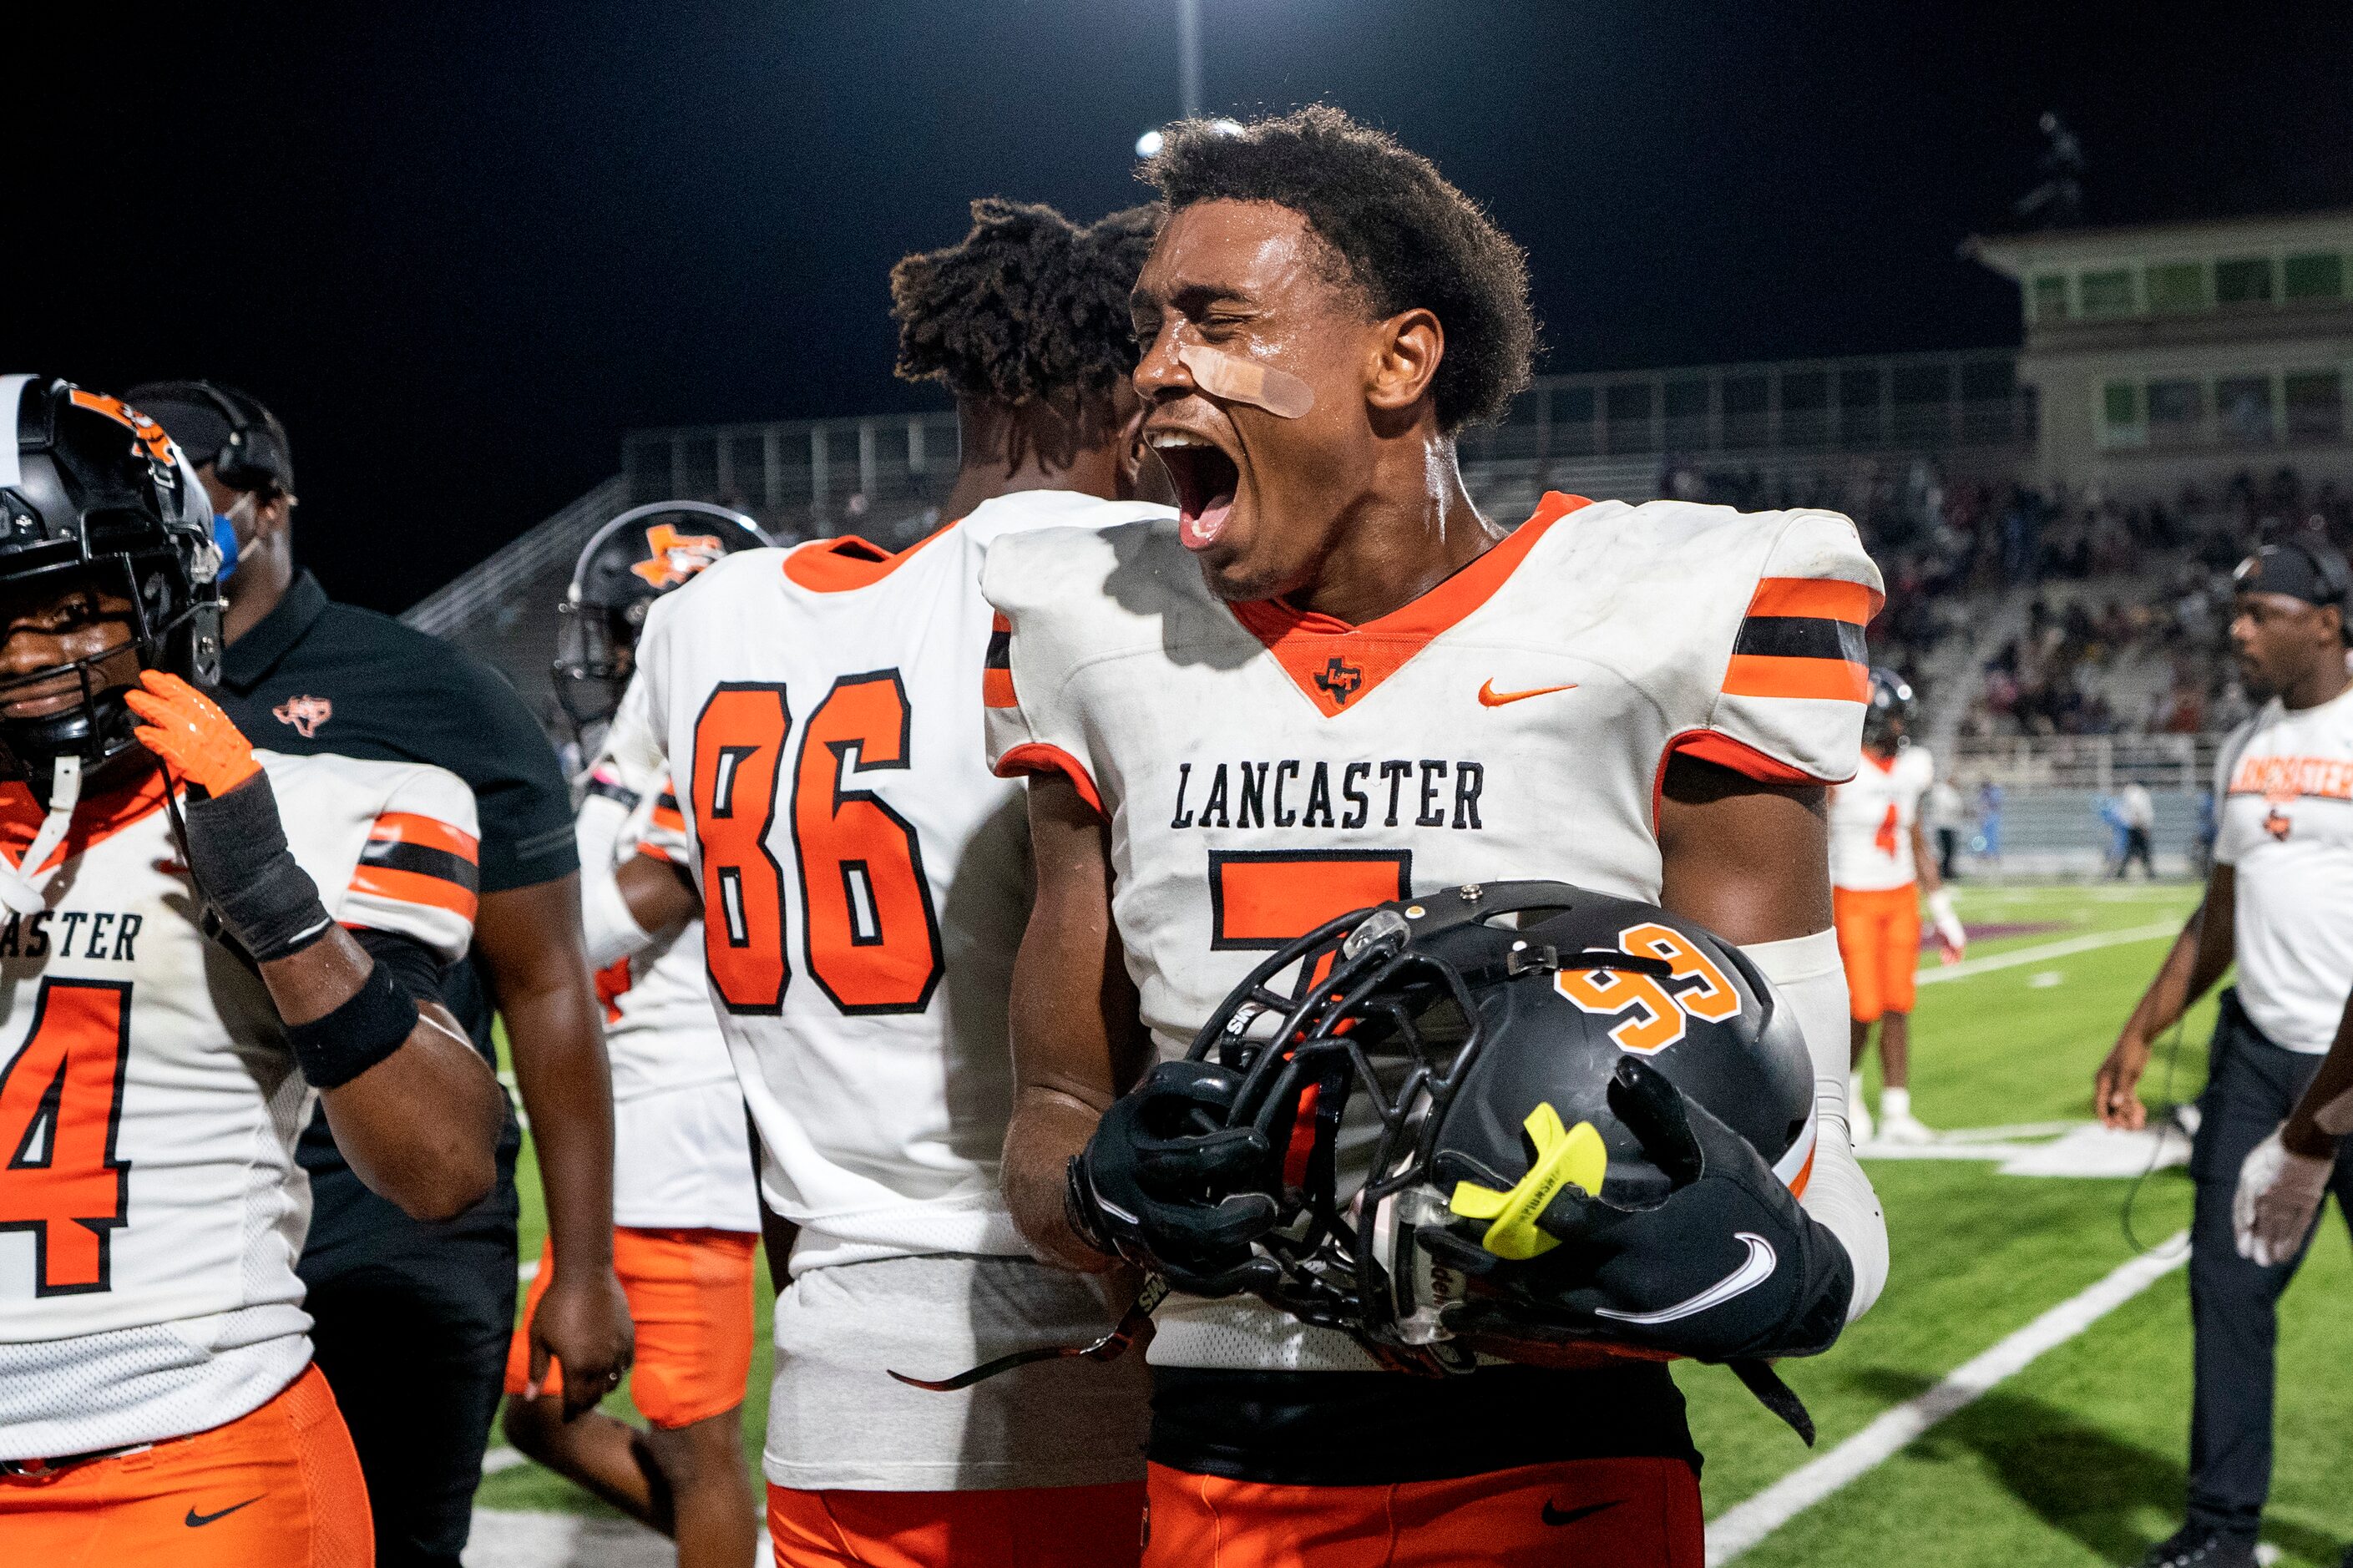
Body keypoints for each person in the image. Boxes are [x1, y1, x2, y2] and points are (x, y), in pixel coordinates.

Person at [984, 109, 1887, 1566]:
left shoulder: (1667, 608)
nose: (1156, 367)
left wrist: (1785, 1277)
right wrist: (1089, 1192)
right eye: (1151, 326)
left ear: (1399, 360)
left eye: (1214, 322)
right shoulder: (1091, 627)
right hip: (1229, 1446)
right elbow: (1044, 1112)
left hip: (1553, 1446)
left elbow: (1807, 1138)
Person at [619, 198, 1170, 1567]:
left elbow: (597, 921)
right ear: (1121, 390)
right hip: (1084, 1333)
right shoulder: (1129, 582)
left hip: (832, 1356)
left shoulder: (713, 618)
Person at [126, 379, 631, 1567]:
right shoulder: (95, 704)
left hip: (387, 1219)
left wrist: (587, 1263)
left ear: (265, 498)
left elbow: (547, 986)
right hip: (173, 1222)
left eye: (177, 472)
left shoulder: (431, 693)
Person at [0, 376, 503, 1562]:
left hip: (193, 1464)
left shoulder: (349, 803)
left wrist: (273, 898)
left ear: (168, 589)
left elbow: (443, 1166)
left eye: (75, 606)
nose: (28, 654)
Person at [498, 502, 772, 1568]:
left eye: (631, 632)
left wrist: (505, 915)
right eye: (616, 636)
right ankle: (738, 1552)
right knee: (538, 1409)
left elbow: (632, 904)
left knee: (698, 1450)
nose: (612, 655)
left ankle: (729, 1545)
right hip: (625, 1139)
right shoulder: (642, 743)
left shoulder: (728, 744)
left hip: (682, 1138)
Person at [2096, 541, 2353, 1568]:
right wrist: (2141, 1027)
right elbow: (2222, 914)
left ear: (2328, 621)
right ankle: (2220, 1532)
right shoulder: (2245, 745)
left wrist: (2310, 1133)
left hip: (2348, 1059)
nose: (2237, 630)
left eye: (2261, 611)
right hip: (2257, 1049)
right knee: (2226, 1286)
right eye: (2234, 612)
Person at [1830, 670, 1966, 1146]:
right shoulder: (1840, 771)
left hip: (1900, 895)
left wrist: (1943, 915)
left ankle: (1896, 1110)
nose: (1899, 729)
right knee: (1862, 1006)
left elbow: (1916, 841)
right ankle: (1846, 1099)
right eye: (1891, 719)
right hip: (1852, 895)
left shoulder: (1909, 771)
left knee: (1898, 1004)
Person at [1927, 772, 1964, 881]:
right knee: (1946, 851)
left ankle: (1947, 872)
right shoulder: (1942, 791)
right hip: (1943, 826)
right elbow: (1952, 807)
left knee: (1950, 851)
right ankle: (1944, 873)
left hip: (1950, 826)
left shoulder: (1949, 792)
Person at [2118, 778, 2158, 879]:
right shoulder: (2138, 794)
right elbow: (2138, 809)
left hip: (2133, 826)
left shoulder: (2130, 793)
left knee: (2131, 851)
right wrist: (2143, 826)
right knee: (2143, 850)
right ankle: (2150, 873)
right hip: (2138, 826)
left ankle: (2121, 873)